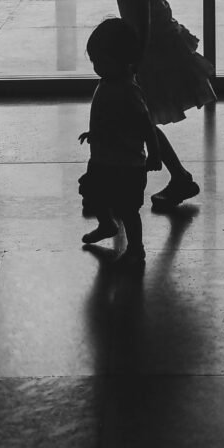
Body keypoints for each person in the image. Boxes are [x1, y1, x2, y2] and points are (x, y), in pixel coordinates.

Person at [88, 0, 216, 211]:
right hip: (147, 51)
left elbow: (144, 27)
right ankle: (172, 176)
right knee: (139, 117)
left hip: (153, 54)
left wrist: (134, 62)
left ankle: (174, 176)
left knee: (139, 117)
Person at [78, 18, 162, 268]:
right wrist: (95, 133)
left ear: (121, 60)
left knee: (128, 209)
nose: (97, 67)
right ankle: (107, 224)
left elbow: (146, 125)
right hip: (104, 158)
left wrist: (154, 152)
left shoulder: (128, 90)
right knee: (95, 193)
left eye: (100, 61)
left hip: (127, 163)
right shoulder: (108, 83)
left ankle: (136, 248)